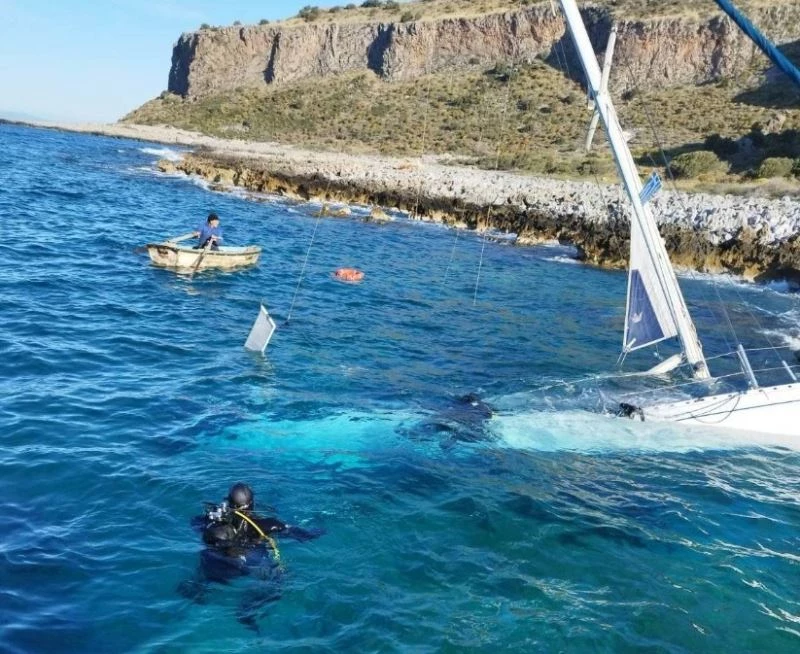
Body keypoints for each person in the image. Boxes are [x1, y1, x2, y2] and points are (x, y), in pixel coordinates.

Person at [179, 483, 323, 632]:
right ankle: (247, 610)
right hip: (247, 565)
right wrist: (321, 526)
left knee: (203, 568)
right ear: (252, 504)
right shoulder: (266, 525)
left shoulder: (209, 521)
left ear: (228, 502)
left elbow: (194, 523)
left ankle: (196, 590)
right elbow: (305, 535)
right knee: (278, 579)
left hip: (215, 568)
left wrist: (213, 516)